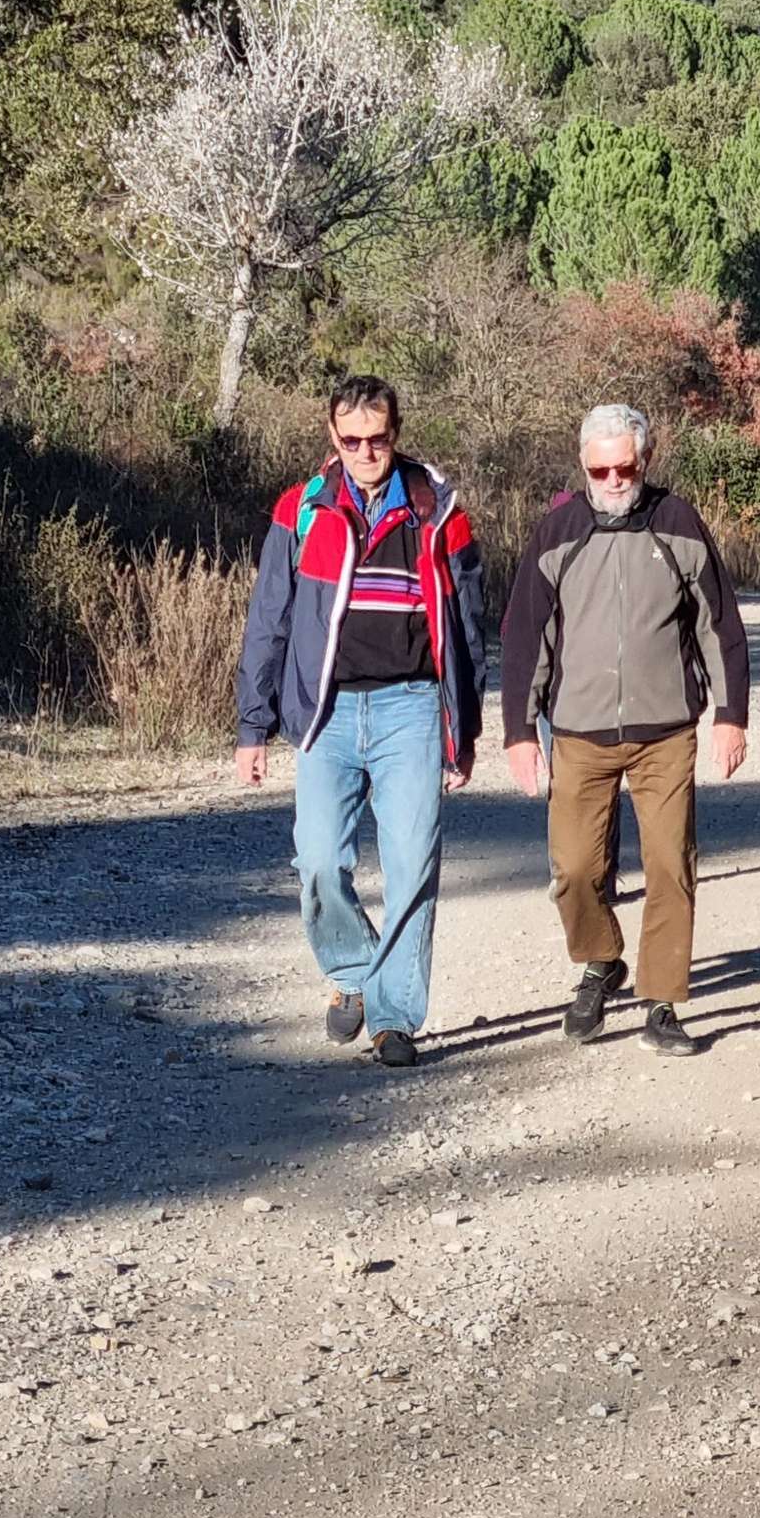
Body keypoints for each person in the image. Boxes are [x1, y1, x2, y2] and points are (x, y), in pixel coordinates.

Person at [235, 375, 489, 1069]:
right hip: (328, 712)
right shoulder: (303, 510)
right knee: (319, 861)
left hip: (412, 708)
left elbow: (469, 627)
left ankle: (394, 1016)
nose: (365, 453)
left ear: (395, 435)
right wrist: (253, 726)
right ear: (333, 436)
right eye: (351, 441)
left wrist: (463, 728)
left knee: (412, 865)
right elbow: (269, 620)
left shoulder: (439, 512)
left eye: (377, 440)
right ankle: (352, 969)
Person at [499, 402, 750, 1057]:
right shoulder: (557, 532)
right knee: (575, 870)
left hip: (665, 731)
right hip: (578, 733)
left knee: (670, 865)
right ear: (583, 466)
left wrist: (730, 716)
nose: (613, 481)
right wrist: (519, 731)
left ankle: (662, 1002)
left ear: (647, 459)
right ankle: (601, 959)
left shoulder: (678, 523)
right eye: (599, 470)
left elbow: (719, 625)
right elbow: (526, 638)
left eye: (625, 468)